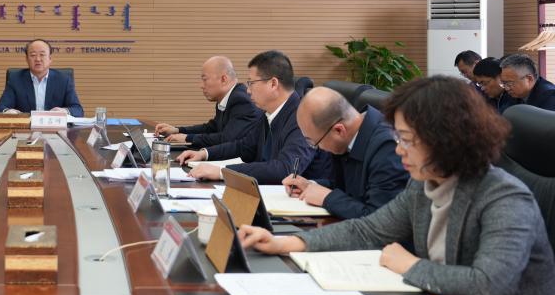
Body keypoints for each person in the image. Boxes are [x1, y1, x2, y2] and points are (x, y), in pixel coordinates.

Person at [238, 76, 555, 295]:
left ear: (446, 140)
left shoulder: (504, 198)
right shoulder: (426, 183)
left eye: (407, 140)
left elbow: (488, 286)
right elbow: (369, 230)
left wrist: (410, 265)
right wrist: (286, 243)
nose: (399, 149)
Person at [181, 50, 332, 184]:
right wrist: (204, 154)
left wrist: (222, 172)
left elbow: (285, 168)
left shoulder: (303, 117)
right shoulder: (269, 114)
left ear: (273, 84)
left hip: (301, 203)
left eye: (251, 83)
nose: (247, 91)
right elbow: (244, 147)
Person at [281, 87, 407, 219]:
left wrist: (327, 198)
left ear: (339, 131)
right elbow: (346, 188)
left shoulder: (388, 148)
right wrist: (310, 186)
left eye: (315, 142)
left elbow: (379, 219)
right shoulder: (348, 138)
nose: (318, 148)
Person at [154, 56, 261, 148]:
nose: (201, 85)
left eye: (205, 79)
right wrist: (177, 130)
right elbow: (212, 128)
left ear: (224, 79)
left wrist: (187, 138)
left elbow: (227, 138)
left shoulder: (241, 100)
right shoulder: (227, 97)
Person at [0, 39, 84, 116]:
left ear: (50, 59)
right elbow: (0, 108)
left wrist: (65, 111)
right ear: (26, 59)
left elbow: (78, 110)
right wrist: (8, 111)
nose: (38, 59)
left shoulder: (63, 80)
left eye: (42, 54)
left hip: (54, 128)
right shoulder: (16, 79)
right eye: (33, 55)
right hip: (25, 128)